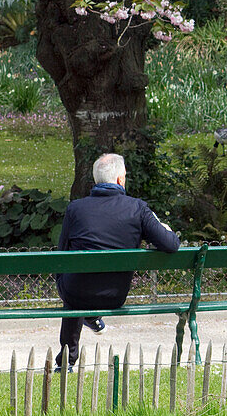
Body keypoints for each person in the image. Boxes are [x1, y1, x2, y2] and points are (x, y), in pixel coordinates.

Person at [56, 154, 180, 371]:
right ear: (121, 180)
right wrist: (167, 230)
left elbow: (62, 253)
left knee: (72, 282)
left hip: (75, 293)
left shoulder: (75, 209)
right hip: (114, 295)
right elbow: (170, 244)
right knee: (77, 282)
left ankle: (67, 360)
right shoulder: (137, 208)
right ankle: (90, 317)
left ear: (96, 181)